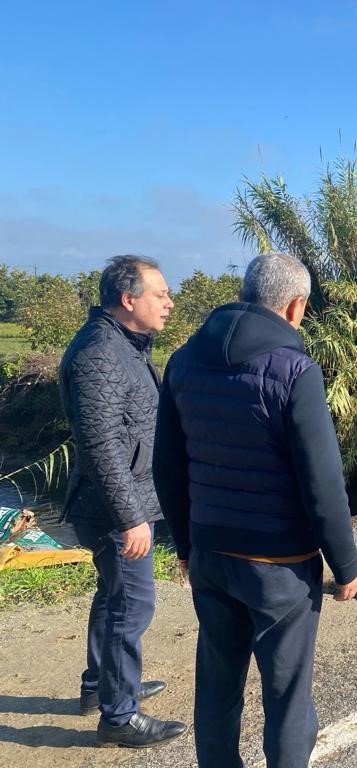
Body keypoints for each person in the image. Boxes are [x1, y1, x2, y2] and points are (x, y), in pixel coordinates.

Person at [153, 252, 357, 768]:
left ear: (245, 293)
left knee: (218, 684)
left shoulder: (182, 360)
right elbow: (322, 483)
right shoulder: (295, 370)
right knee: (288, 698)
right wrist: (346, 563)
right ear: (295, 307)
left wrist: (185, 545)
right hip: (279, 566)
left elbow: (167, 466)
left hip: (210, 552)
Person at [59, 254, 187, 748]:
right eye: (161, 294)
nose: (170, 304)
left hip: (120, 501)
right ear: (128, 299)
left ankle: (102, 685)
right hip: (116, 508)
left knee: (114, 597)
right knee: (130, 607)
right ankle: (118, 714)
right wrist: (131, 517)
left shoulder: (123, 345)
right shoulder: (101, 353)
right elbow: (100, 444)